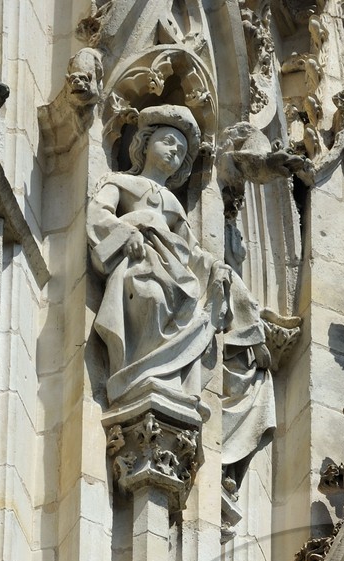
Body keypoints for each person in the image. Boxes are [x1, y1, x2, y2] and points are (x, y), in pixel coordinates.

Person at [86, 105, 274, 474]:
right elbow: (98, 215)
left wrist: (219, 270)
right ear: (144, 143)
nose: (173, 151)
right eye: (167, 141)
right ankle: (138, 373)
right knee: (150, 297)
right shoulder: (122, 183)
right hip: (140, 264)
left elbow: (191, 251)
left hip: (173, 270)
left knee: (183, 305)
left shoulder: (173, 203)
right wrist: (131, 232)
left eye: (181, 148)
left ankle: (162, 379)